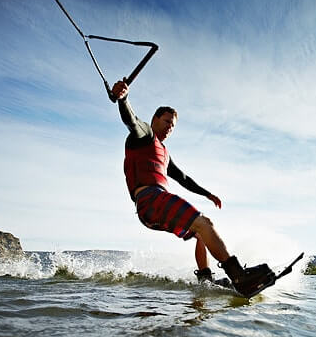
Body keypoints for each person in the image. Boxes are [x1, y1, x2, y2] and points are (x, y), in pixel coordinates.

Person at [111, 79, 275, 297]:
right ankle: (238, 276)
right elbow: (131, 120)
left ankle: (206, 280)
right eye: (167, 121)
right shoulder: (144, 136)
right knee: (203, 223)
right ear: (155, 119)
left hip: (151, 208)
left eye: (173, 125)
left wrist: (207, 194)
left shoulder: (163, 152)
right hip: (151, 198)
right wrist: (123, 99)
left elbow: (184, 178)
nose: (170, 127)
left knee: (201, 233)